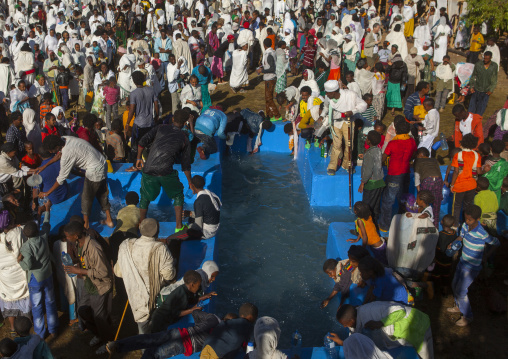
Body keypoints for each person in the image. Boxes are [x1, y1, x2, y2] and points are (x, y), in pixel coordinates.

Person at [135, 109, 196, 231]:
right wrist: (190, 182)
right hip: (166, 171)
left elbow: (142, 142)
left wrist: (138, 159)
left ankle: (142, 224)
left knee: (145, 197)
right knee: (178, 195)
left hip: (148, 170)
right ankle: (178, 226)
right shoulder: (184, 138)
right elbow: (186, 165)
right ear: (185, 123)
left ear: (172, 119)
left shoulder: (160, 128)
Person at [115, 218, 176, 334]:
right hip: (154, 296)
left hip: (134, 294)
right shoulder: (160, 249)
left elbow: (118, 272)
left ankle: (145, 348)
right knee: (153, 328)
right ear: (157, 232)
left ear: (140, 228)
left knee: (142, 327)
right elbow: (169, 276)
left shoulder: (126, 246)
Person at [39, 135, 114, 229]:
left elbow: (61, 179)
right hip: (101, 162)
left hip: (94, 170)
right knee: (101, 193)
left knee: (86, 198)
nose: (51, 153)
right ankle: (109, 220)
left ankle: (86, 225)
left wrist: (47, 193)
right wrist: (44, 166)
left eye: (51, 151)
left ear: (57, 147)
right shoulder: (65, 138)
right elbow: (58, 155)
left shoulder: (67, 154)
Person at [62, 221, 114, 354]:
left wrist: (80, 271)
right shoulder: (78, 244)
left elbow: (103, 272)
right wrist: (72, 265)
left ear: (77, 235)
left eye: (68, 236)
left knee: (100, 317)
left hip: (99, 285)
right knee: (83, 311)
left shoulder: (94, 248)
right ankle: (98, 334)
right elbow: (84, 261)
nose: (67, 239)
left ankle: (108, 342)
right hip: (88, 283)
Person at [448, 204, 500, 326]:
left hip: (472, 267)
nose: (467, 221)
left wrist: (487, 255)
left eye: (469, 219)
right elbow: (461, 236)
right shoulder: (465, 226)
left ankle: (467, 316)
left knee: (461, 291)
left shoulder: (481, 233)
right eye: (466, 218)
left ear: (477, 219)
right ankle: (458, 306)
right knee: (454, 284)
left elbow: (496, 242)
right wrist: (453, 243)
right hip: (462, 261)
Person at [331, 301, 433, 359]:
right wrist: (341, 342)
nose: (344, 326)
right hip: (404, 334)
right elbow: (357, 342)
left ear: (351, 320)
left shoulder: (371, 311)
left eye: (344, 324)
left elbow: (400, 311)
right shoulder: (355, 322)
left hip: (417, 326)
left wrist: (380, 323)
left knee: (426, 355)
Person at [106, 310, 221, 357]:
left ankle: (118, 344)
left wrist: (198, 326)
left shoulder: (214, 318)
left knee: (148, 339)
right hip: (182, 345)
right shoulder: (223, 338)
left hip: (178, 333)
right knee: (154, 355)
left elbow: (196, 313)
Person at [18, 214, 59, 340]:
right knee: (51, 302)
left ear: (25, 235)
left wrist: (19, 260)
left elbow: (27, 265)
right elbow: (46, 224)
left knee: (37, 307)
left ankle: (40, 333)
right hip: (47, 274)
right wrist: (47, 211)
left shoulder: (26, 247)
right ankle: (53, 329)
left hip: (35, 279)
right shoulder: (43, 235)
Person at [323, 80, 368, 175]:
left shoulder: (350, 95)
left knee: (349, 145)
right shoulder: (328, 98)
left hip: (348, 122)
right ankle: (332, 166)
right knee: (337, 145)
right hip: (335, 123)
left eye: (327, 92)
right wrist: (321, 116)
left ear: (334, 92)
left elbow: (363, 105)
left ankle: (347, 165)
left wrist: (352, 111)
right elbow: (326, 107)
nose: (326, 94)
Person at [379, 119, 417, 231]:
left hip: (394, 174)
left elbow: (384, 157)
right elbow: (414, 154)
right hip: (406, 173)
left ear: (396, 130)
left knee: (388, 201)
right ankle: (402, 224)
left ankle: (385, 226)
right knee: (403, 199)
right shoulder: (412, 141)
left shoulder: (393, 143)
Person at [0, 210, 30, 337]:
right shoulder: (17, 233)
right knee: (25, 299)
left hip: (6, 278)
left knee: (9, 300)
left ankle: (12, 328)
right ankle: (27, 325)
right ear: (11, 222)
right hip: (19, 273)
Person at [125, 71, 158, 171]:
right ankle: (150, 164)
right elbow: (156, 105)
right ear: (144, 79)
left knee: (135, 147)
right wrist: (156, 118)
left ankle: (136, 165)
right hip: (150, 123)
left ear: (134, 82)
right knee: (149, 145)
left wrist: (127, 123)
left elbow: (132, 109)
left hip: (139, 124)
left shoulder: (134, 93)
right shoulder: (151, 90)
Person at [450, 134, 485, 227]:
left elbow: (456, 172)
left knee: (456, 206)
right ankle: (467, 224)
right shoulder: (477, 155)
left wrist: (452, 185)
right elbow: (479, 171)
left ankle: (455, 225)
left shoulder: (458, 155)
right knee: (468, 206)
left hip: (459, 186)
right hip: (472, 185)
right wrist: (485, 170)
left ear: (463, 143)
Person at [359, 130, 385, 222]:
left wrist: (362, 183)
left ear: (368, 141)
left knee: (366, 206)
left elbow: (368, 171)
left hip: (371, 184)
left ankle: (363, 228)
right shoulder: (378, 150)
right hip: (380, 182)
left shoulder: (369, 154)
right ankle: (374, 223)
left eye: (367, 138)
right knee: (375, 206)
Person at [257, 38, 281, 122]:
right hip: (269, 78)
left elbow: (272, 68)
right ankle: (269, 115)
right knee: (267, 98)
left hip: (270, 78)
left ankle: (277, 115)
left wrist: (262, 70)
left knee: (269, 98)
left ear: (264, 45)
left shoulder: (269, 54)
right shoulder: (272, 52)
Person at [468, 51, 498, 116]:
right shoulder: (478, 64)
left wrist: (491, 89)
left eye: (487, 59)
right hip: (476, 89)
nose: (485, 60)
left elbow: (494, 79)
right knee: (471, 109)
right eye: (484, 58)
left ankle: (477, 121)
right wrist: (471, 87)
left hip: (486, 91)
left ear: (491, 58)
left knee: (480, 109)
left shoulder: (494, 66)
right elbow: (473, 76)